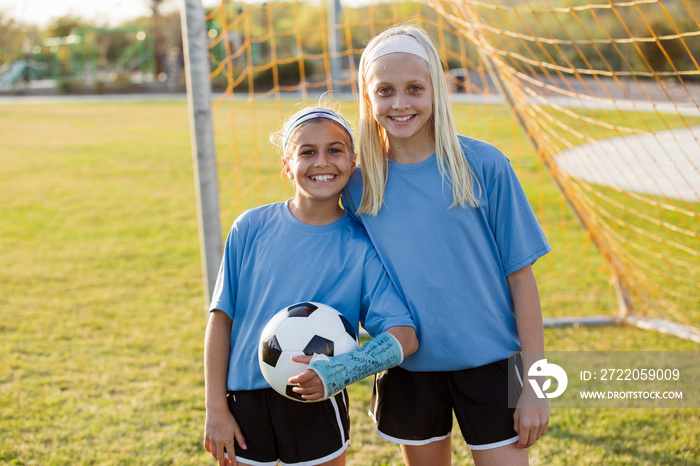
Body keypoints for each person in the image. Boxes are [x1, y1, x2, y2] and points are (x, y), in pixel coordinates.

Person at [340, 24, 550, 466]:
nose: (400, 103)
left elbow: (522, 279)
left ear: (437, 88)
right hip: (408, 367)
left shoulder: (484, 165)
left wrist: (533, 384)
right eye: (385, 90)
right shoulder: (359, 188)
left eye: (415, 88)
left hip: (492, 364)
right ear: (367, 97)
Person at [203, 104, 419, 466]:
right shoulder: (249, 228)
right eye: (307, 152)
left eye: (335, 150)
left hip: (317, 399)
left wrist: (340, 371)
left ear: (353, 162)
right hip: (244, 404)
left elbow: (405, 335)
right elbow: (221, 320)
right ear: (288, 165)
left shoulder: (362, 247)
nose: (322, 162)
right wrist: (215, 408)